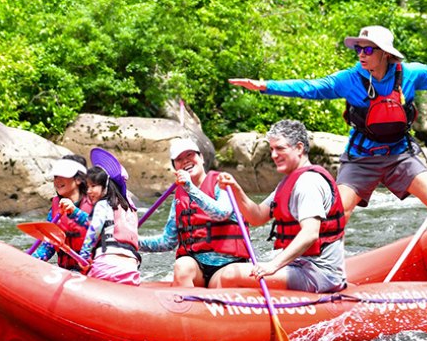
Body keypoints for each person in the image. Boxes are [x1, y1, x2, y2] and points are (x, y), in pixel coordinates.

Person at [229, 25, 427, 264]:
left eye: (367, 49)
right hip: (360, 158)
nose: (361, 54)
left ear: (385, 53)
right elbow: (310, 88)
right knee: (337, 214)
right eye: (358, 48)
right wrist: (264, 86)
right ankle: (328, 267)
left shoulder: (410, 74)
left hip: (401, 155)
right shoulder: (349, 79)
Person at [215, 119, 347, 293]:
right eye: (272, 149)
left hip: (319, 274)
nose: (274, 155)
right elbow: (257, 217)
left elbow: (310, 233)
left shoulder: (308, 183)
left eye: (280, 148)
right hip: (298, 265)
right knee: (219, 276)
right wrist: (236, 189)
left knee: (230, 274)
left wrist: (273, 265)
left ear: (299, 148)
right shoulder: (289, 182)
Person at [139, 138, 249, 287]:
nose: (185, 161)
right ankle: (186, 300)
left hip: (229, 265)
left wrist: (191, 188)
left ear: (201, 158)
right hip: (197, 267)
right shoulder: (179, 198)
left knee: (223, 280)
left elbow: (221, 213)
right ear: (175, 168)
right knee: (182, 266)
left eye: (190, 155)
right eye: (179, 159)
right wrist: (133, 241)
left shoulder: (222, 183)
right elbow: (167, 242)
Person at [78, 159, 142, 286]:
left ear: (105, 186)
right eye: (87, 187)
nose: (88, 191)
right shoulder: (130, 209)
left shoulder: (102, 204)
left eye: (93, 186)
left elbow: (94, 230)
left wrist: (83, 257)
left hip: (104, 269)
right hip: (131, 272)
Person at [33, 156, 93, 270]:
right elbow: (48, 246)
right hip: (67, 270)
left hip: (91, 270)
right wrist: (31, 260)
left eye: (63, 176)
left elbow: (99, 229)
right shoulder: (55, 210)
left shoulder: (95, 204)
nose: (57, 181)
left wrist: (75, 212)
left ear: (78, 180)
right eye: (56, 176)